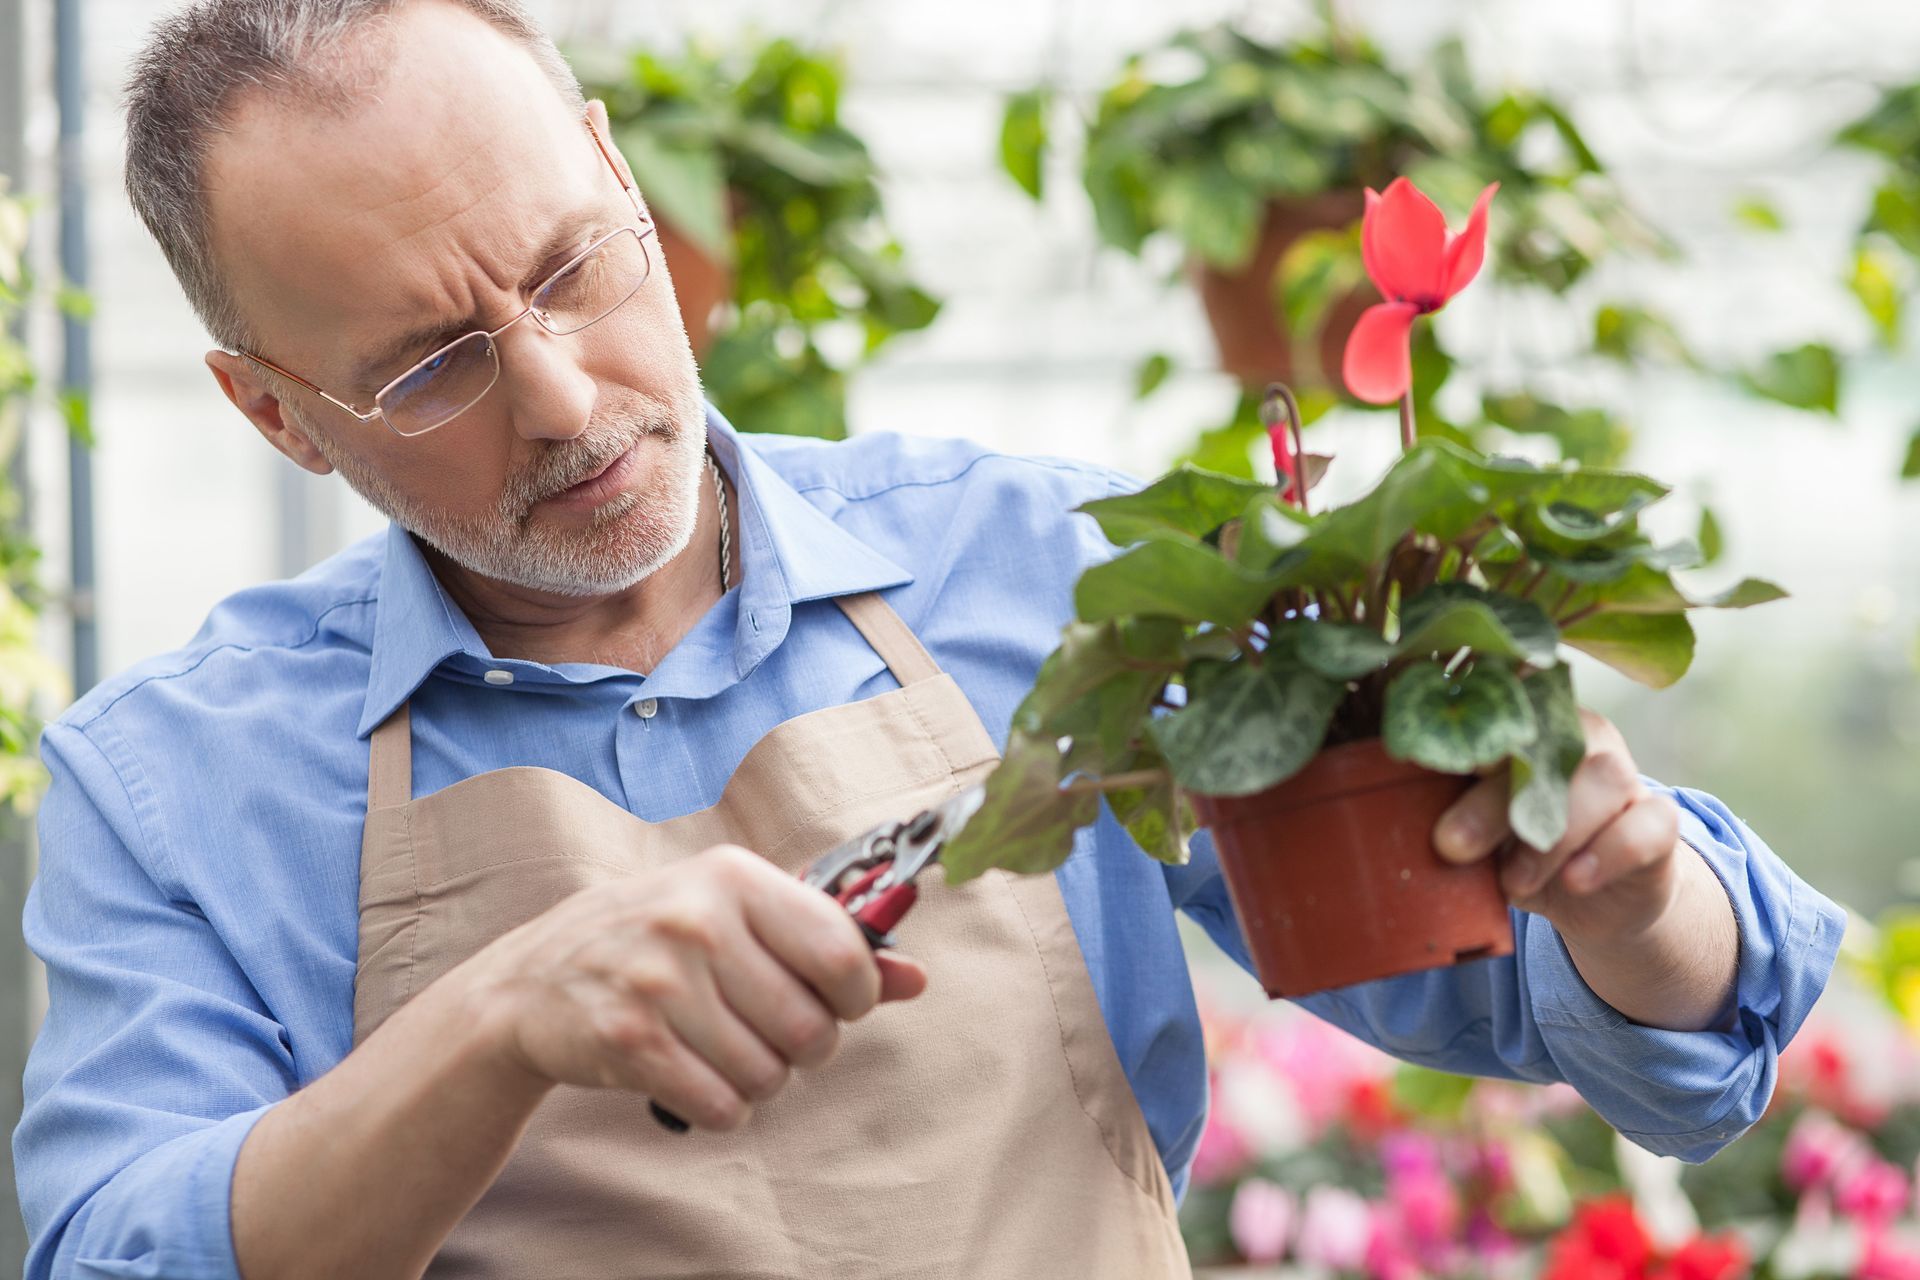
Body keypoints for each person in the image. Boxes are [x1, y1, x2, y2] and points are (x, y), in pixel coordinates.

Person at [14, 2, 1843, 1277]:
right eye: (428, 364)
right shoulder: (176, 785)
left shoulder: (1042, 568)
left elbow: (1599, 1026)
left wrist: (1626, 900)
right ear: (274, 413)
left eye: (572, 267)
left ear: (622, 179)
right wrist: (495, 1022)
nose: (564, 397)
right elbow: (113, 1252)